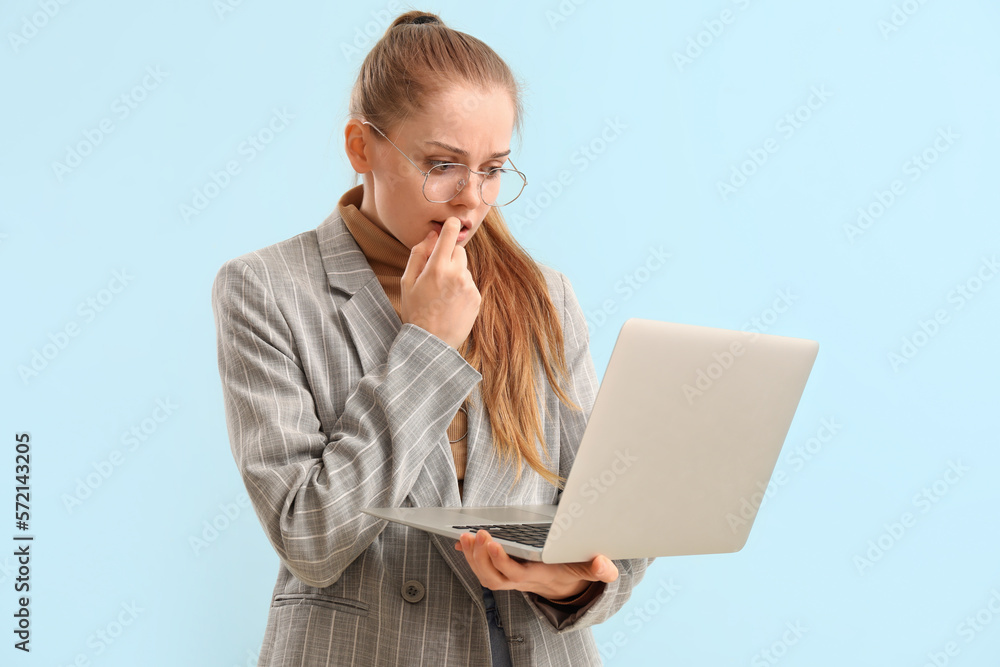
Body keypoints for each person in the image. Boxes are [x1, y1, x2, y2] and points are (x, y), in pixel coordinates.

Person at [211, 10, 652, 666]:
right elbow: (311, 535)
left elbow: (615, 532)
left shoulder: (543, 294)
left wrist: (568, 582)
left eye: (494, 169)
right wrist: (428, 345)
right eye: (442, 164)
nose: (471, 200)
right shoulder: (265, 289)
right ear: (362, 147)